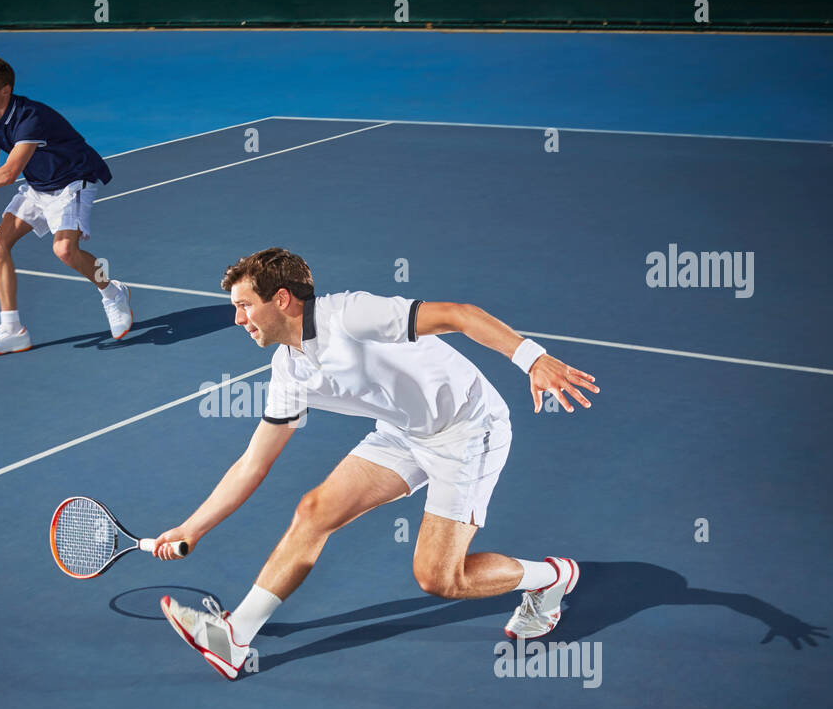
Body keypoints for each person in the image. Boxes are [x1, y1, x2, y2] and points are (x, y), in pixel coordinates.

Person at [152, 247, 600, 680]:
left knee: (439, 579)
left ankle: (552, 578)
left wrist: (533, 358)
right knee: (315, 511)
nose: (237, 319)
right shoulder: (289, 371)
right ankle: (236, 637)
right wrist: (192, 527)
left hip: (468, 429)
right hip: (403, 431)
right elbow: (254, 462)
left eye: (245, 305)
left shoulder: (348, 315)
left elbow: (459, 315)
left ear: (282, 299)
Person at [0, 52, 133, 357]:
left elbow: (7, 174)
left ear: (5, 90)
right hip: (39, 185)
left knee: (65, 251)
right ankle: (12, 331)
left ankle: (112, 292)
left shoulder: (29, 117)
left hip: (73, 180)